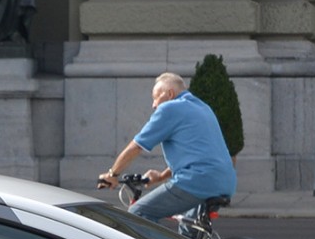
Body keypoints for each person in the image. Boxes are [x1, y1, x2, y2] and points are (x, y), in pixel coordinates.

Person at [99, 71, 237, 223]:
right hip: (225, 182)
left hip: (197, 181)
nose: (153, 104)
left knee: (138, 213)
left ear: (170, 94)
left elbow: (136, 146)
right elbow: (197, 154)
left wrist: (113, 174)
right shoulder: (203, 108)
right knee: (188, 228)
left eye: (155, 97)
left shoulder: (169, 108)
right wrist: (161, 176)